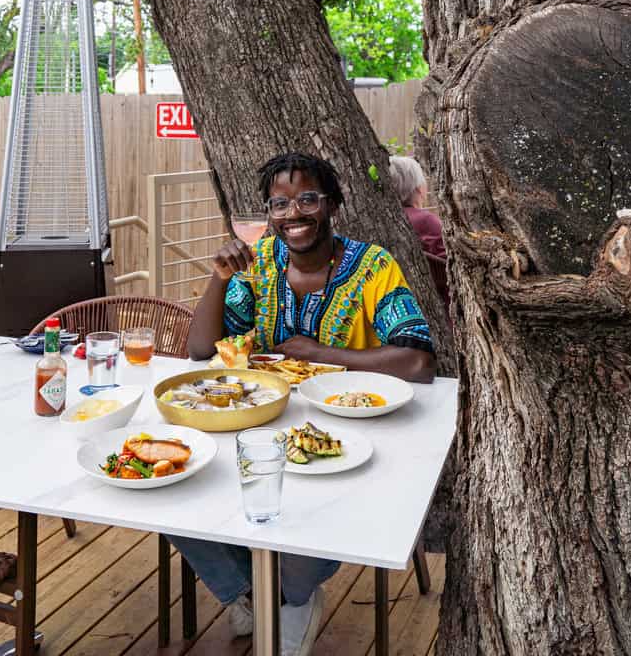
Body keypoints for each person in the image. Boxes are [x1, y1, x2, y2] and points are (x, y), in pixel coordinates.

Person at [175, 152, 436, 656]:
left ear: (332, 204)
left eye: (307, 199)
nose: (293, 213)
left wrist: (322, 354)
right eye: (279, 204)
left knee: (311, 511)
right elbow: (202, 351)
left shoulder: (371, 266)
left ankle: (294, 599)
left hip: (352, 438)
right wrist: (219, 277)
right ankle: (248, 593)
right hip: (261, 423)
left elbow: (419, 361)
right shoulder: (261, 262)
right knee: (176, 493)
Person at [388, 155, 449, 314]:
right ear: (418, 188)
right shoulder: (425, 220)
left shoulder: (382, 221)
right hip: (442, 306)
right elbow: (454, 266)